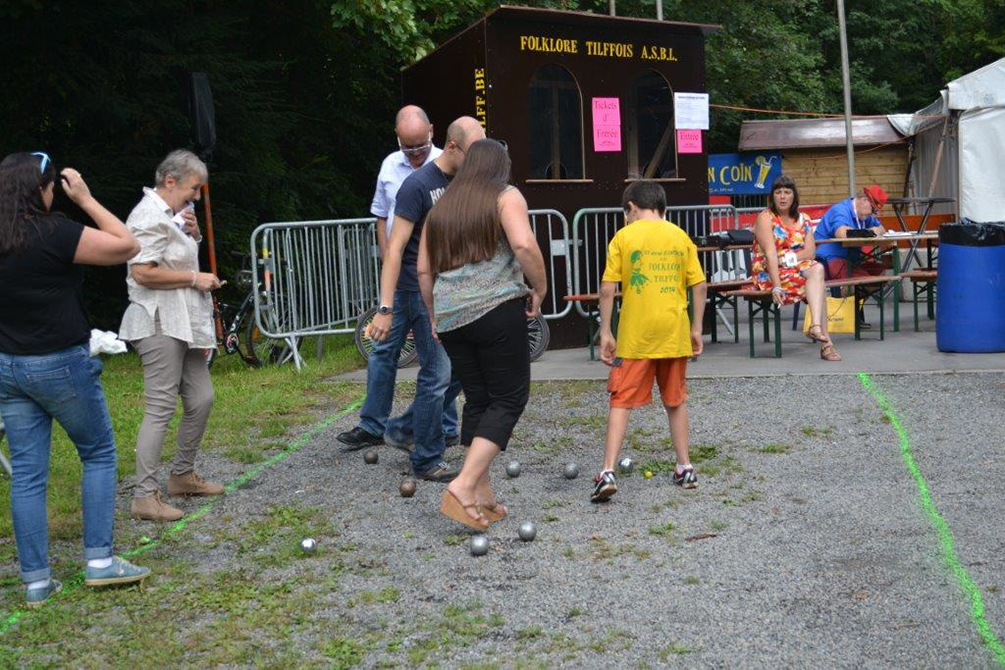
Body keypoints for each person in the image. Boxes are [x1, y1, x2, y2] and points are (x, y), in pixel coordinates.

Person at [0, 152, 150, 607]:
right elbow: (127, 245)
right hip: (60, 362)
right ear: (42, 189)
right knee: (98, 452)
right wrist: (85, 198)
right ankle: (100, 562)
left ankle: (36, 583)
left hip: (9, 366)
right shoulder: (55, 234)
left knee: (26, 474)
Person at [338, 117, 485, 481]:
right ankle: (426, 458)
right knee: (436, 374)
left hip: (456, 291)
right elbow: (395, 249)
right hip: (418, 290)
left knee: (465, 369)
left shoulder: (470, 181)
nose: (481, 160)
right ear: (452, 146)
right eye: (475, 152)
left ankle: (406, 426)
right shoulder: (417, 186)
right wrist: (384, 309)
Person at [418, 139, 547, 530]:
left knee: (479, 400)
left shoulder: (441, 207)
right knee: (509, 398)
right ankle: (463, 484)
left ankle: (482, 495)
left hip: (453, 317)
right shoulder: (505, 196)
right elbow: (523, 244)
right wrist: (539, 286)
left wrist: (433, 314)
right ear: (500, 166)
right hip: (495, 309)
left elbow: (424, 270)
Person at [118, 150, 224, 522]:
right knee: (160, 406)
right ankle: (144, 496)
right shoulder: (147, 215)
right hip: (158, 321)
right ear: (170, 181)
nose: (196, 196)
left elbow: (171, 259)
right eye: (194, 188)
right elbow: (143, 272)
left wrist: (192, 238)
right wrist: (196, 278)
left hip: (186, 321)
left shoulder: (173, 216)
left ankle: (181, 475)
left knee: (202, 397)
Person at [591, 181, 707, 504]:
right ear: (662, 207)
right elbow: (698, 285)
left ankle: (608, 471)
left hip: (635, 337)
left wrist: (606, 331)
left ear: (630, 208)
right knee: (675, 400)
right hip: (674, 333)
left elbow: (607, 287)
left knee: (621, 399)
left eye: (625, 213)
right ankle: (685, 466)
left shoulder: (623, 237)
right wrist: (696, 327)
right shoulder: (680, 236)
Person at [364, 105, 458, 448]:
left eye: (421, 147)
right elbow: (381, 217)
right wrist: (387, 260)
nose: (416, 155)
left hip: (433, 278)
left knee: (439, 364)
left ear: (433, 132)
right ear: (398, 139)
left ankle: (440, 428)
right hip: (400, 275)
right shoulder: (391, 165)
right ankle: (373, 425)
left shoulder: (447, 165)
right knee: (383, 351)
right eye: (409, 148)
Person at [751, 175, 840, 361]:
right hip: (770, 274)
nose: (782, 197)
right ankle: (826, 344)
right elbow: (770, 253)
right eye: (778, 192)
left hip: (796, 271)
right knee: (818, 284)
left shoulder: (804, 219)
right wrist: (776, 285)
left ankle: (815, 326)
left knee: (818, 269)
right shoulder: (766, 217)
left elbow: (810, 252)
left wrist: (788, 257)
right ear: (772, 196)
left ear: (794, 196)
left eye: (787, 192)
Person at [813, 185, 888, 280]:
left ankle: (857, 293)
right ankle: (849, 294)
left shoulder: (864, 216)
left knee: (880, 271)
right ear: (864, 200)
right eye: (873, 210)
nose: (873, 214)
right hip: (829, 259)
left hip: (851, 260)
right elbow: (842, 234)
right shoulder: (841, 210)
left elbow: (882, 229)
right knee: (867, 279)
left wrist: (875, 231)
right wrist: (870, 232)